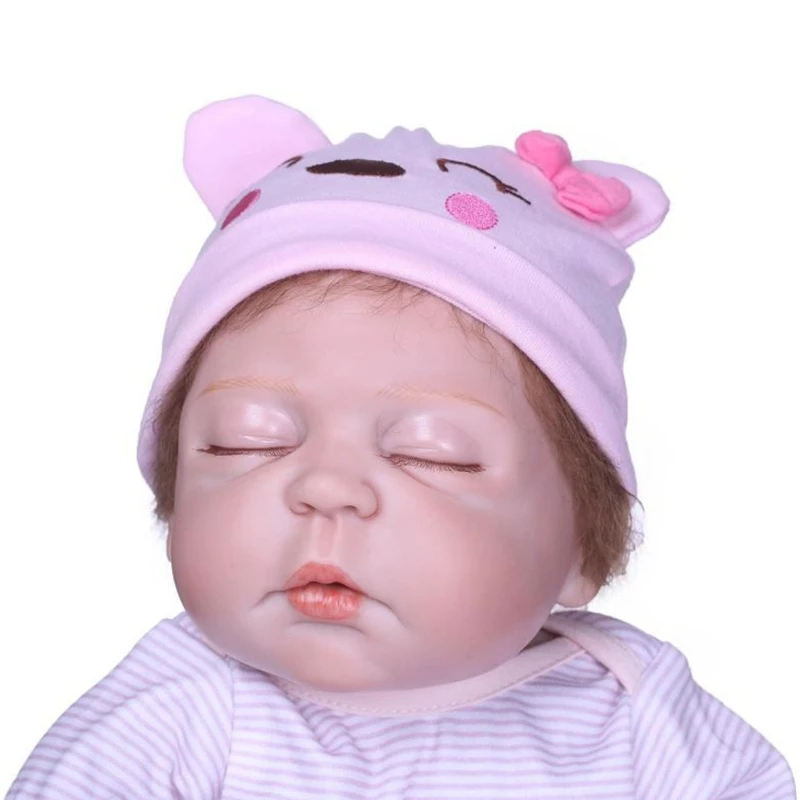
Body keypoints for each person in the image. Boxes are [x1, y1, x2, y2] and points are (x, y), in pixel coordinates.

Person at [7, 94, 795, 799]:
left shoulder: (643, 718)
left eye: (433, 454)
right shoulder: (174, 715)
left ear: (584, 545)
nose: (325, 488)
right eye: (246, 442)